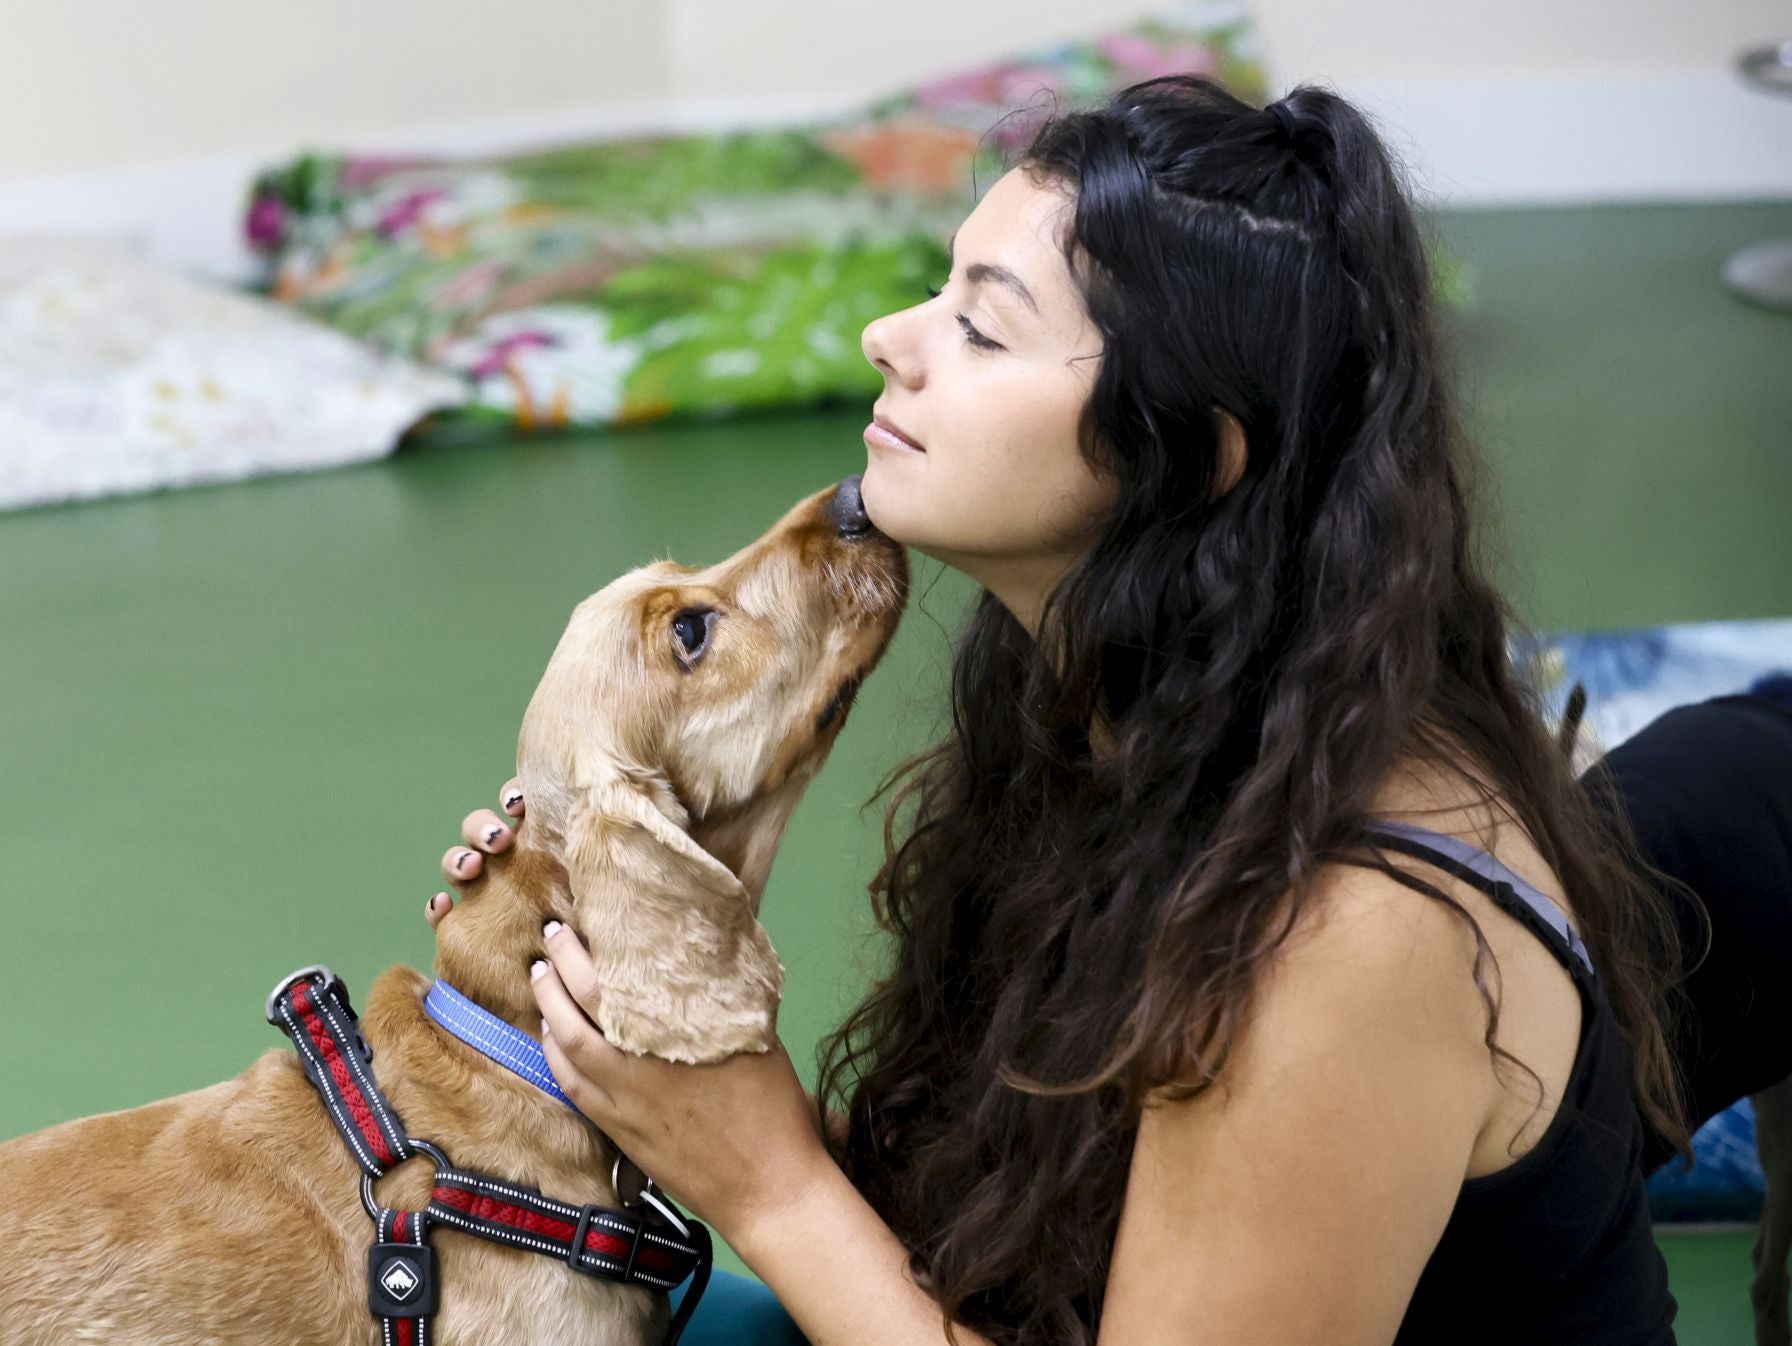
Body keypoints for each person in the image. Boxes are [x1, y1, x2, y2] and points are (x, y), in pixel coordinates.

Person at [428, 75, 1693, 1345]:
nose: (888, 334)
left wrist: (774, 1180)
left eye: (982, 329)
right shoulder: (1123, 701)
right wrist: (633, 997)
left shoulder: (1346, 929)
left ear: (1191, 452)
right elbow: (1043, 1213)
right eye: (941, 289)